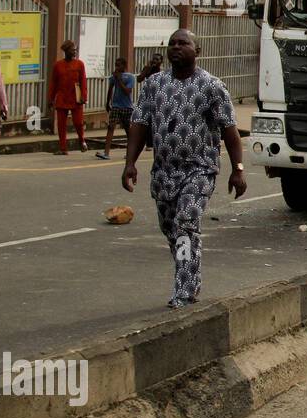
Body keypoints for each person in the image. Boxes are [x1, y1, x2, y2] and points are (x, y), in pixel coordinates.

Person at [122, 29, 245, 308]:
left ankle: (185, 290)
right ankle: (186, 272)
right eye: (172, 44)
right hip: (164, 173)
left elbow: (230, 131)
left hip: (198, 171)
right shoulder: (154, 85)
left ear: (196, 50)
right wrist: (129, 163)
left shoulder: (212, 87)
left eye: (183, 43)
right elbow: (139, 125)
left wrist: (238, 169)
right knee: (171, 230)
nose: (176, 47)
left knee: (185, 223)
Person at [48, 39, 88, 155]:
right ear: (66, 51)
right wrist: (51, 99)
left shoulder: (79, 64)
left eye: (75, 50)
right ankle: (63, 148)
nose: (74, 52)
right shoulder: (58, 65)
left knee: (78, 123)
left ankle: (81, 140)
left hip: (76, 97)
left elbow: (83, 81)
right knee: (61, 124)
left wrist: (83, 97)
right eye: (72, 50)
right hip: (62, 97)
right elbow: (53, 83)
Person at [97, 57, 135, 160]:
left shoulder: (130, 77)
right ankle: (106, 152)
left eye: (119, 65)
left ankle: (129, 153)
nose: (117, 67)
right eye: (116, 65)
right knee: (111, 127)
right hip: (116, 106)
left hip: (127, 107)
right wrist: (107, 102)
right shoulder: (114, 77)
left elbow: (127, 91)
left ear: (124, 66)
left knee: (128, 130)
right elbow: (110, 89)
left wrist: (119, 79)